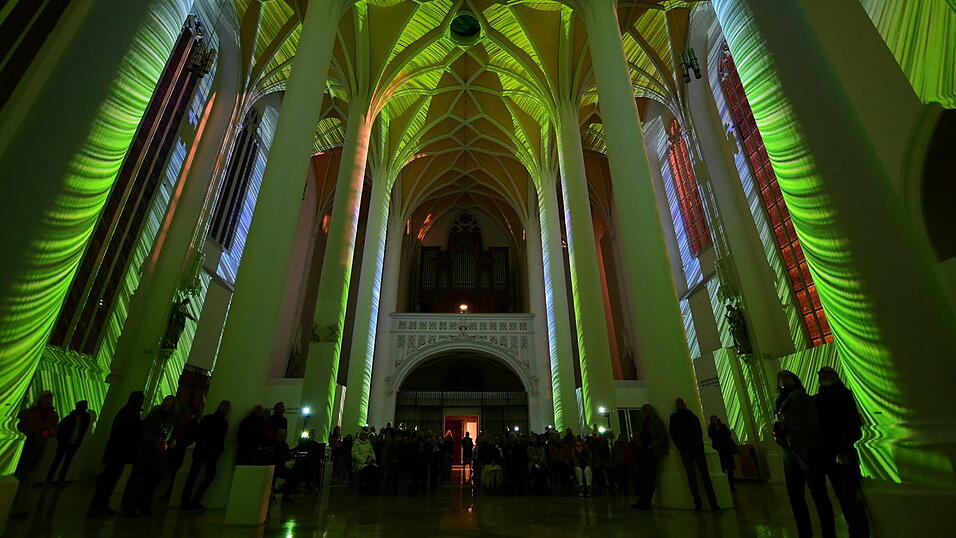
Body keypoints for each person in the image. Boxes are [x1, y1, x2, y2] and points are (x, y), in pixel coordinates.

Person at [774, 370, 835, 538]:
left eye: (787, 377)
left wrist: (787, 420)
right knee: (795, 497)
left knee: (819, 495)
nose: (785, 381)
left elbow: (812, 424)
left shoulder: (802, 398)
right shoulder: (779, 401)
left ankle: (828, 533)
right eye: (782, 378)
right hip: (789, 453)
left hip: (808, 451)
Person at [814, 367, 870, 537]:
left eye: (827, 374)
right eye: (822, 374)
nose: (824, 376)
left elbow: (852, 424)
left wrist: (844, 450)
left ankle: (859, 530)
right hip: (830, 454)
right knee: (843, 495)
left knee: (849, 495)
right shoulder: (819, 399)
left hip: (844, 453)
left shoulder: (844, 396)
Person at [89, 391, 144, 517]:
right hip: (119, 453)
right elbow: (128, 433)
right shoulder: (131, 414)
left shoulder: (125, 412)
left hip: (116, 452)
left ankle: (100, 505)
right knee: (109, 480)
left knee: (108, 479)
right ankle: (99, 506)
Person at [122, 395, 179, 517]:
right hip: (146, 451)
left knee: (151, 481)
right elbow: (146, 431)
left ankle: (144, 506)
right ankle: (130, 506)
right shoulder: (155, 415)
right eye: (167, 403)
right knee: (138, 479)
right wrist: (155, 443)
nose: (168, 406)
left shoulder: (173, 419)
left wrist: (167, 445)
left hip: (159, 453)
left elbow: (173, 435)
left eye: (171, 404)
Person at [10, 391, 59, 518]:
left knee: (29, 479)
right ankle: (11, 504)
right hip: (24, 448)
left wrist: (46, 433)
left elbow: (54, 430)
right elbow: (19, 426)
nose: (47, 400)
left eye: (49, 398)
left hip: (38, 450)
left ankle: (21, 508)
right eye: (45, 397)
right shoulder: (29, 413)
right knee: (17, 476)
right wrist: (33, 432)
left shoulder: (52, 415)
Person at [669, 397, 720, 511]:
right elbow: (673, 433)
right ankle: (699, 504)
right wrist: (682, 447)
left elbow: (698, 432)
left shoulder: (692, 416)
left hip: (696, 449)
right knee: (693, 477)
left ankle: (713, 504)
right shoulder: (677, 417)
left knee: (704, 477)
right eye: (679, 403)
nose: (681, 404)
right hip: (688, 450)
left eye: (682, 402)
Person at [181, 400, 230, 509]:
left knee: (193, 476)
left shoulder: (209, 418)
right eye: (225, 406)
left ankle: (186, 502)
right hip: (208, 452)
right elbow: (217, 438)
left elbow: (202, 433)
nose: (225, 409)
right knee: (204, 476)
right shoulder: (222, 423)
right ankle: (193, 501)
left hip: (203, 451)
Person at [46, 399, 90, 485]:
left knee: (62, 462)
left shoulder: (81, 417)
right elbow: (62, 428)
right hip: (69, 442)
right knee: (61, 461)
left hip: (72, 442)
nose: (85, 408)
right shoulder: (76, 417)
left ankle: (54, 480)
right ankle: (53, 480)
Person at [633, 404, 667, 509]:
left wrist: (652, 445)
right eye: (643, 411)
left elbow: (662, 437)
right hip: (644, 451)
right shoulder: (644, 422)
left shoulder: (656, 422)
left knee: (650, 477)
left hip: (652, 452)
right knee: (642, 477)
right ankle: (642, 500)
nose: (644, 413)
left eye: (646, 410)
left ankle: (647, 501)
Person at [161, 405, 198, 499]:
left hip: (180, 447)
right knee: (173, 469)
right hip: (176, 447)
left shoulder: (188, 423)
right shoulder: (182, 421)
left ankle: (169, 492)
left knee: (174, 470)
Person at [708, 416, 739, 493]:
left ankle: (729, 486)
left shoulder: (714, 428)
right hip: (724, 450)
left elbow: (724, 434)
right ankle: (729, 486)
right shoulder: (719, 427)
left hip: (722, 450)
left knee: (727, 468)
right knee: (727, 468)